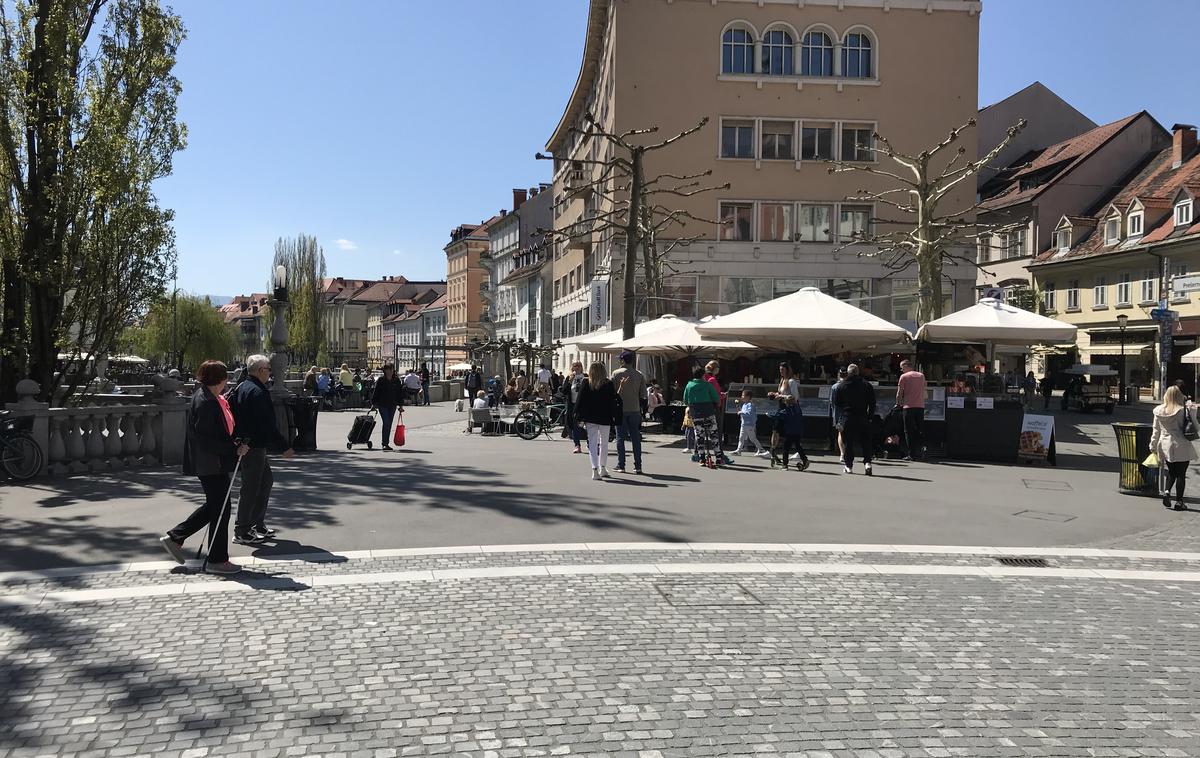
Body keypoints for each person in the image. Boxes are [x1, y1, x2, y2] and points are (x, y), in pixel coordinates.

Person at [160, 360, 249, 575]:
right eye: (225, 376)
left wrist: (232, 444)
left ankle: (176, 537)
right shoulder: (207, 402)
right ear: (220, 379)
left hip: (211, 462)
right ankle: (217, 560)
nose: (227, 380)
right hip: (211, 463)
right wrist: (233, 449)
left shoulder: (208, 397)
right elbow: (206, 440)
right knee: (221, 510)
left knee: (216, 506)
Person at [232, 354, 294, 545]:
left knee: (265, 482)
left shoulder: (243, 386)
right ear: (260, 371)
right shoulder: (258, 391)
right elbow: (267, 424)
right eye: (268, 369)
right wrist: (284, 446)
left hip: (250, 443)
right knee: (251, 487)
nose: (270, 372)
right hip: (253, 445)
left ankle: (256, 524)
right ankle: (242, 529)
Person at [1152, 385, 1197, 511]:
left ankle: (1166, 492)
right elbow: (1195, 426)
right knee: (1181, 474)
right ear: (1179, 396)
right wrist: (1193, 411)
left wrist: (1153, 445)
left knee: (1171, 471)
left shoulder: (1158, 410)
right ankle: (1179, 502)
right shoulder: (1183, 410)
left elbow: (1156, 430)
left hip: (1166, 443)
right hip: (1181, 443)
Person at [574, 361, 620, 481]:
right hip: (605, 417)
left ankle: (594, 469)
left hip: (590, 417)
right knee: (604, 443)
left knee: (592, 444)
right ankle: (603, 467)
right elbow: (612, 402)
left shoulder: (586, 382)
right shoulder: (608, 383)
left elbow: (580, 401)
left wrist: (579, 417)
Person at [833, 363, 876, 475]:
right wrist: (870, 416)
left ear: (848, 372)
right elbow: (872, 403)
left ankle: (849, 466)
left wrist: (839, 419)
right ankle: (867, 463)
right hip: (863, 415)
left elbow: (837, 403)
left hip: (848, 416)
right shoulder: (867, 385)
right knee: (866, 441)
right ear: (858, 372)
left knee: (849, 442)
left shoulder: (842, 385)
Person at [611, 350, 647, 475]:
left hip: (620, 410)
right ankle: (638, 466)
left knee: (620, 437)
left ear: (622, 360)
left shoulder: (616, 373)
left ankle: (621, 464)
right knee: (635, 438)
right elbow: (643, 394)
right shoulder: (639, 374)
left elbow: (613, 393)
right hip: (635, 409)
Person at [685, 366, 722, 465]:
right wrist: (717, 404)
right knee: (714, 435)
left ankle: (702, 458)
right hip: (708, 412)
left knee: (699, 436)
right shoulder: (707, 385)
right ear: (703, 375)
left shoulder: (689, 385)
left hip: (696, 414)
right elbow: (716, 399)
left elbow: (685, 400)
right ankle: (718, 458)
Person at [895, 359, 926, 461]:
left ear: (906, 366)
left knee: (908, 431)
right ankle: (921, 451)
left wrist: (898, 403)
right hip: (920, 406)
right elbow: (923, 389)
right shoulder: (921, 376)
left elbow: (899, 392)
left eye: (901, 367)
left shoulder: (904, 377)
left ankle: (911, 454)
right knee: (919, 430)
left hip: (908, 406)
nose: (901, 370)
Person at [703, 360, 733, 465]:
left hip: (704, 407)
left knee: (703, 432)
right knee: (717, 433)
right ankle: (721, 456)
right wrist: (723, 395)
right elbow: (716, 395)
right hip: (714, 407)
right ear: (715, 369)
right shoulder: (712, 380)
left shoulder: (704, 378)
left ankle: (700, 455)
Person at [371, 364, 405, 451]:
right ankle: (384, 444)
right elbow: (376, 392)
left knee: (389, 424)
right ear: (385, 371)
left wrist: (401, 405)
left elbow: (400, 394)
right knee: (386, 422)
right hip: (382, 405)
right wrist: (374, 403)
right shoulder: (381, 380)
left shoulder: (396, 380)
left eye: (391, 369)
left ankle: (386, 443)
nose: (389, 371)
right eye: (388, 369)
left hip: (392, 405)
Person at [773, 395, 810, 470]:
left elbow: (777, 415)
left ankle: (785, 464)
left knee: (786, 448)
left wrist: (769, 414)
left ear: (786, 402)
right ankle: (805, 460)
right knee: (798, 446)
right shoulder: (798, 408)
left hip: (789, 431)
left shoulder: (786, 410)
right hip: (798, 431)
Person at [733, 390, 770, 458]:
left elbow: (749, 413)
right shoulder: (744, 405)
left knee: (752, 438)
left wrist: (741, 412)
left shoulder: (751, 405)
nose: (742, 397)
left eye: (743, 395)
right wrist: (739, 410)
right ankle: (738, 450)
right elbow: (743, 412)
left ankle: (761, 449)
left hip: (749, 424)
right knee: (741, 437)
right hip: (743, 424)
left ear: (748, 397)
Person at [562, 361, 586, 454]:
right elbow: (564, 391)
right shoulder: (569, 377)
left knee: (587, 424)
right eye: (575, 366)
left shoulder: (585, 376)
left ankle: (590, 443)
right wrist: (569, 382)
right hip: (573, 404)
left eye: (579, 366)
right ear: (572, 367)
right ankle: (577, 445)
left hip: (583, 404)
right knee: (575, 425)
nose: (577, 367)